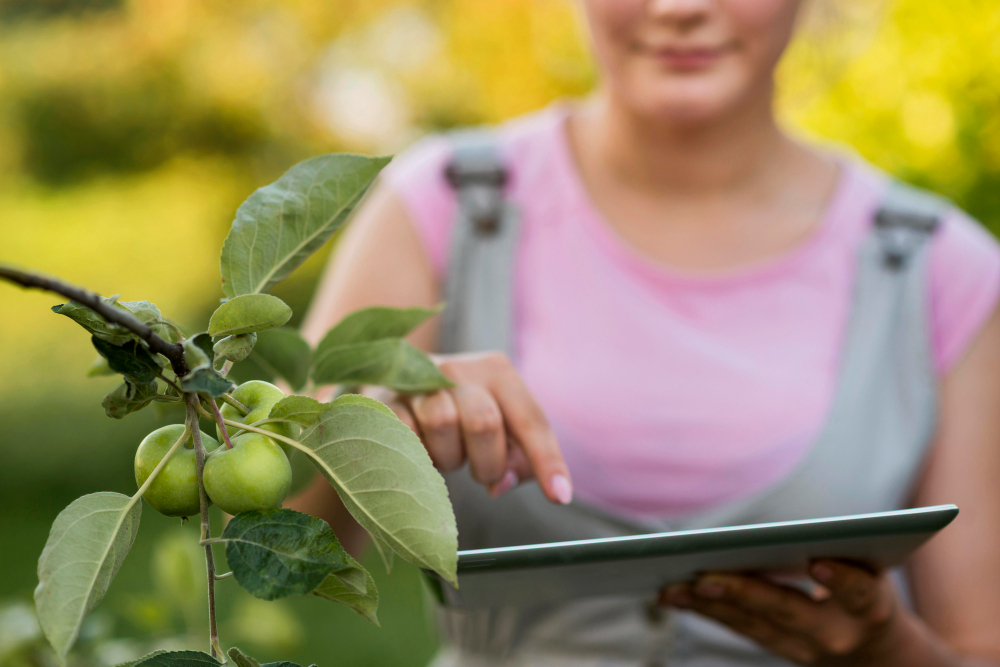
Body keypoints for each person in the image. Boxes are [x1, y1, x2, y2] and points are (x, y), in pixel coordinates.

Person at [289, 1, 1000, 665]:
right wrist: (366, 420)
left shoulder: (943, 270)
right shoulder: (441, 204)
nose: (680, 8)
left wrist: (887, 648)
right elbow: (278, 523)